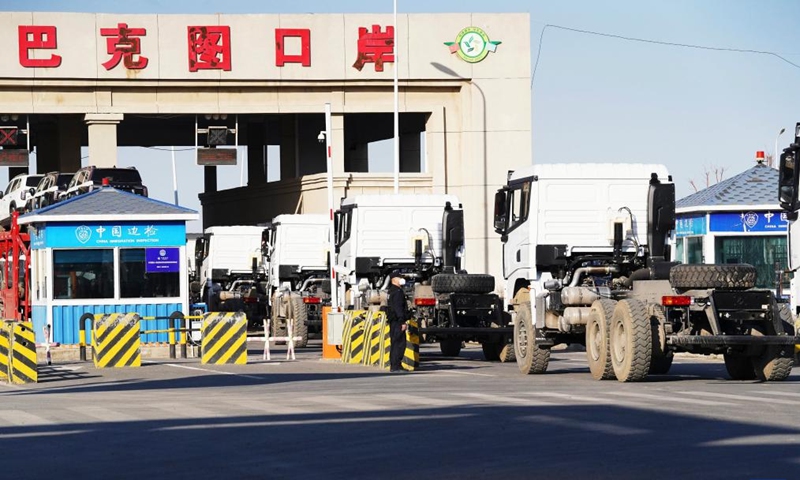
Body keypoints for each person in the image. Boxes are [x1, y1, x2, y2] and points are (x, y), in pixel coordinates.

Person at [386, 271, 408, 372]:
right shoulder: (398, 292)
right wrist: (402, 321)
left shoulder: (391, 291)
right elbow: (398, 308)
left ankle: (395, 365)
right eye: (399, 278)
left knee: (395, 343)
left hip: (393, 321)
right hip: (397, 321)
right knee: (399, 344)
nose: (401, 279)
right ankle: (396, 366)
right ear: (394, 279)